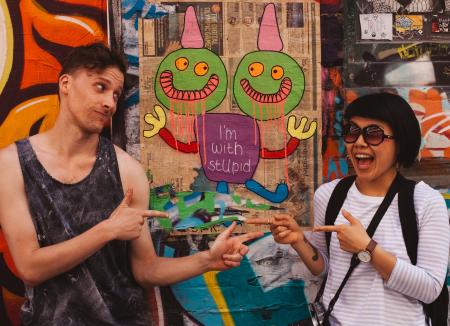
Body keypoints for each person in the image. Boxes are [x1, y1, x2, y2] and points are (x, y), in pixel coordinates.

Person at [0, 43, 263, 325]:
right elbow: (30, 267)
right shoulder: (12, 165)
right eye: (100, 87)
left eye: (115, 95)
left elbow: (145, 270)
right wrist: (108, 230)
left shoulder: (127, 171)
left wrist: (207, 261)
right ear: (66, 83)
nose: (110, 103)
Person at [248, 92, 449, 325]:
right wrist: (299, 242)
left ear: (400, 142)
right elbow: (324, 270)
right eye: (353, 132)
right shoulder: (330, 195)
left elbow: (430, 289)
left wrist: (367, 248)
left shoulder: (425, 202)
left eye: (374, 134)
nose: (359, 142)